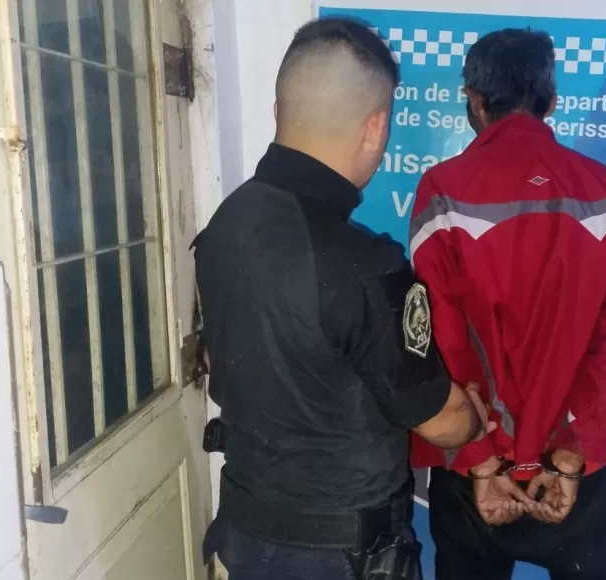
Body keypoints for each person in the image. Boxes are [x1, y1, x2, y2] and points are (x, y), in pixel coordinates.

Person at [195, 17, 493, 580]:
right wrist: (473, 418)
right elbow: (439, 420)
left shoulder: (225, 223)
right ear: (376, 127)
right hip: (338, 554)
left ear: (280, 110)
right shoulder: (364, 264)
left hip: (245, 535)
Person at [408, 28, 606, 580]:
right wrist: (574, 452)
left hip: (474, 474)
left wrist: (480, 457)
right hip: (578, 475)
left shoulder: (442, 191)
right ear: (551, 101)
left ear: (474, 100)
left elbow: (439, 342)